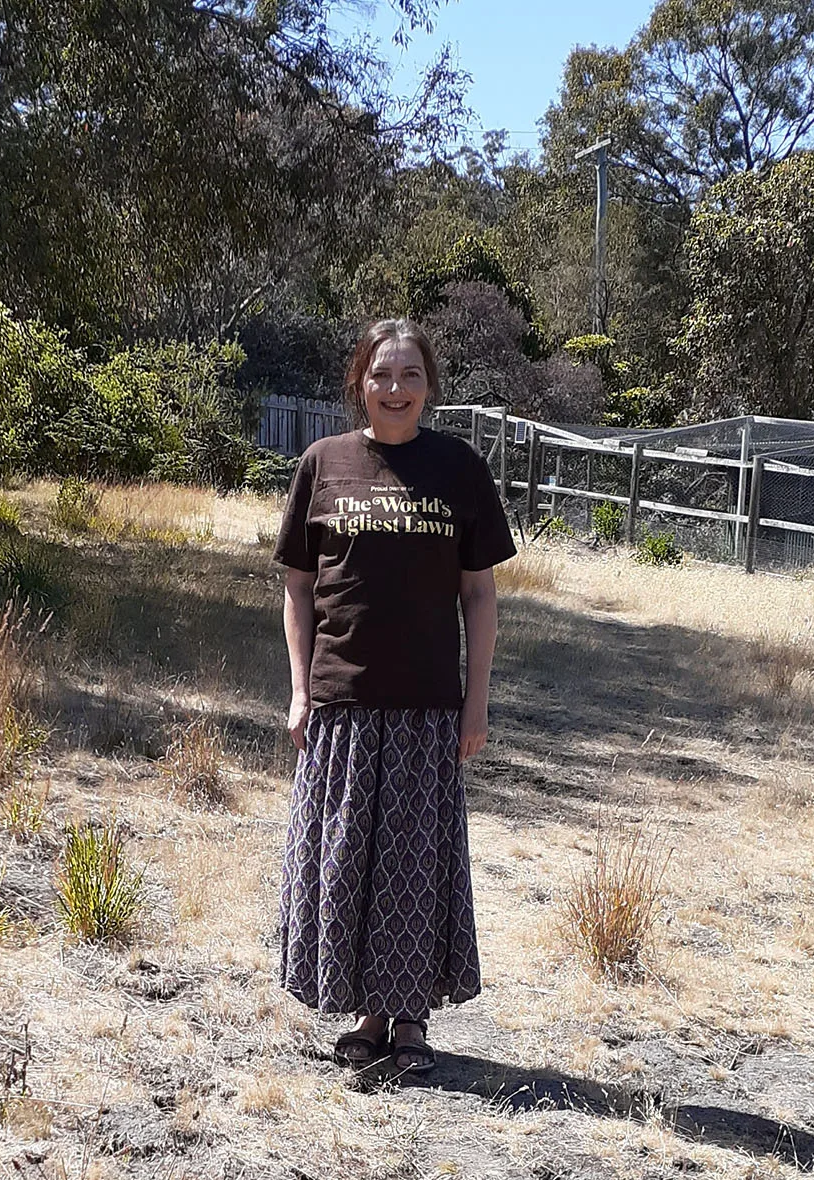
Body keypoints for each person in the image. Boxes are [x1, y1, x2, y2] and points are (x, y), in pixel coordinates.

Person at [272, 318, 516, 1073]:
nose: (396, 388)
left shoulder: (460, 470)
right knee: (352, 860)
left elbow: (479, 595)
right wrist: (299, 690)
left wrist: (475, 704)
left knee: (413, 863)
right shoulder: (324, 464)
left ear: (429, 387)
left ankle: (409, 1022)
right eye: (383, 374)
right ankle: (368, 1011)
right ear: (360, 382)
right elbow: (298, 587)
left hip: (426, 707)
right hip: (343, 700)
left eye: (411, 375)